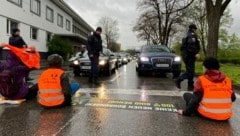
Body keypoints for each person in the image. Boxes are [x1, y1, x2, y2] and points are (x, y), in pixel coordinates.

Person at [176, 24, 200, 90]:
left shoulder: (186, 34)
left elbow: (183, 46)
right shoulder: (192, 35)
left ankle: (190, 85)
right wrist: (196, 53)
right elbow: (191, 45)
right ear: (193, 29)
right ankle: (179, 79)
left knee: (190, 70)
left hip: (186, 55)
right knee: (190, 71)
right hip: (189, 55)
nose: (195, 30)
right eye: (195, 29)